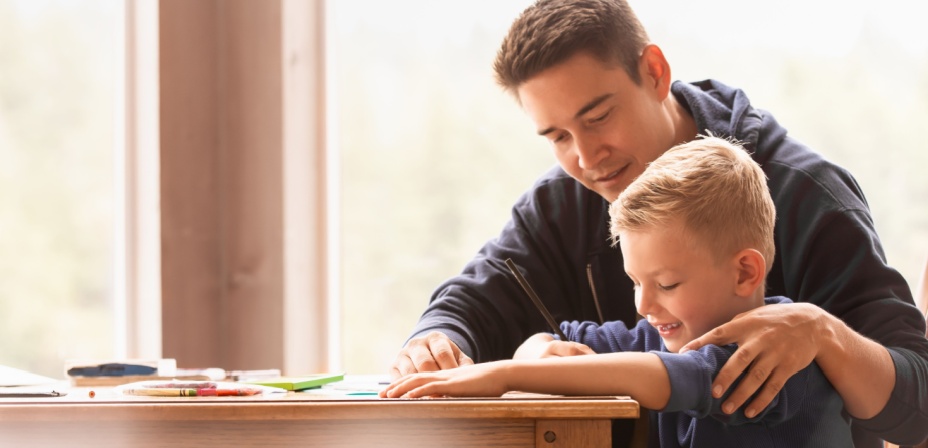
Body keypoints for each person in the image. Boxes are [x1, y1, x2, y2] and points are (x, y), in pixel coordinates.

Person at [389, 0, 928, 446]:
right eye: (556, 136)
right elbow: (477, 300)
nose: (586, 157)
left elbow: (919, 409)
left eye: (598, 116)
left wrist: (825, 334)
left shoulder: (808, 195)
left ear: (654, 72)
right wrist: (439, 340)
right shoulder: (565, 202)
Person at [383, 136, 854, 447]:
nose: (644, 306)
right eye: (636, 283)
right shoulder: (666, 334)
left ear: (745, 273)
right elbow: (562, 336)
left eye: (667, 284)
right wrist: (536, 351)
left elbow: (657, 376)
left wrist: (503, 376)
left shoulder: (779, 357)